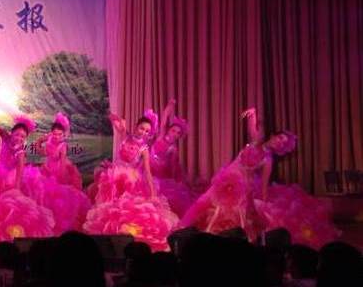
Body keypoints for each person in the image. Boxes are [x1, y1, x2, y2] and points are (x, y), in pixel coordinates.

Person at [180, 108, 338, 246]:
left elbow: (264, 184)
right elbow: (252, 127)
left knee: (231, 213)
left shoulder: (268, 160)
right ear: (273, 136)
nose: (280, 143)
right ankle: (182, 229)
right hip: (227, 177)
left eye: (283, 143)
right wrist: (253, 113)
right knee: (204, 201)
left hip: (240, 185)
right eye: (280, 138)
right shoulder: (256, 141)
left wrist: (264, 201)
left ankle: (225, 241)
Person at [83, 111, 178, 251]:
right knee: (108, 208)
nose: (144, 132)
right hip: (114, 177)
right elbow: (114, 121)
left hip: (131, 181)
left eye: (147, 131)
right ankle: (107, 238)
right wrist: (117, 118)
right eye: (142, 128)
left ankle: (124, 239)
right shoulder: (125, 136)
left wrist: (152, 193)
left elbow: (147, 172)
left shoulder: (144, 148)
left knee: (126, 211)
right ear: (136, 127)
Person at [0, 115, 55, 252]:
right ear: (12, 133)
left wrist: (16, 189)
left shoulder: (20, 152)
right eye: (17, 134)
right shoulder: (6, 138)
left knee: (10, 207)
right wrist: (0, 135)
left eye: (23, 137)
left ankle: (9, 237)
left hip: (12, 179)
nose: (19, 138)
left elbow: (20, 172)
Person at [148, 99, 197, 217]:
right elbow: (164, 119)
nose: (174, 134)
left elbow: (174, 169)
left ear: (180, 136)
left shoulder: (174, 149)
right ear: (168, 130)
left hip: (160, 177)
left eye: (178, 133)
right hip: (148, 170)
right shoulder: (160, 137)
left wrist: (177, 182)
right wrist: (169, 106)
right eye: (173, 130)